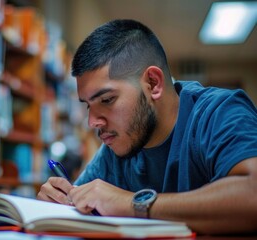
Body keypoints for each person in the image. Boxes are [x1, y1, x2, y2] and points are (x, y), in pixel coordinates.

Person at [37, 19, 257, 235]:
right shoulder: (117, 149)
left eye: (106, 100)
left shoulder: (219, 112)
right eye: (87, 106)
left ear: (153, 83)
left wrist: (131, 204)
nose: (92, 122)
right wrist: (58, 203)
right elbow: (79, 207)